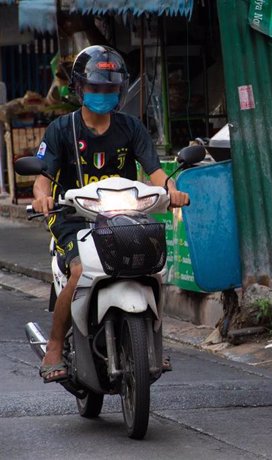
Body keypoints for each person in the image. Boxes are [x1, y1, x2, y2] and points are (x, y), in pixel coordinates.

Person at [32, 45, 189, 383]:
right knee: (78, 272)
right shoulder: (62, 130)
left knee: (153, 269)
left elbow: (154, 172)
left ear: (119, 90)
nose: (103, 93)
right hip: (73, 218)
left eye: (110, 88)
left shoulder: (131, 128)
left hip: (123, 216)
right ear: (79, 88)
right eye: (95, 87)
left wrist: (171, 191)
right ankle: (55, 347)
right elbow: (42, 180)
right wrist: (44, 199)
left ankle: (152, 340)